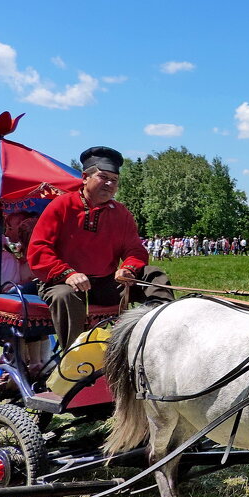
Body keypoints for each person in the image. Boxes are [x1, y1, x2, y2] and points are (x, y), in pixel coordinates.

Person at [27, 146, 172, 352]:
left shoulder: (121, 213)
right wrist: (68, 274)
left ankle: (160, 335)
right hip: (61, 282)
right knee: (64, 296)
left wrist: (128, 269)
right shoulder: (62, 205)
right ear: (85, 177)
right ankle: (75, 357)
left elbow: (135, 250)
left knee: (152, 274)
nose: (110, 184)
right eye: (103, 177)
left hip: (106, 282)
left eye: (114, 180)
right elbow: (39, 249)